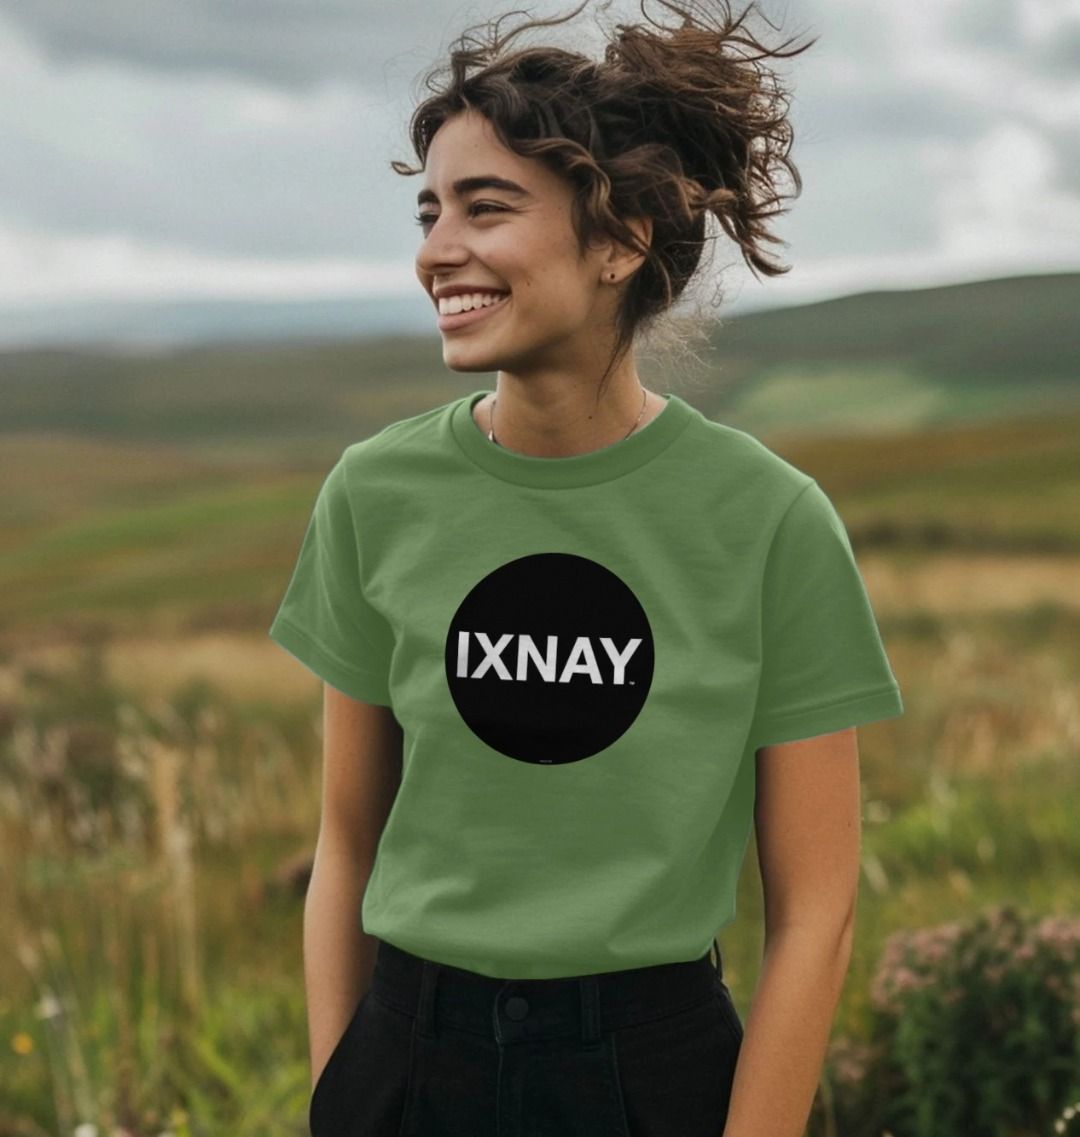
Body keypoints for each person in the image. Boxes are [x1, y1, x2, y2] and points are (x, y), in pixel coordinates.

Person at [268, 1, 904, 1135]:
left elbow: (817, 912)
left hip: (651, 1073)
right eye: (430, 211)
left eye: (486, 207)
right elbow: (346, 844)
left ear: (620, 243)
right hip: (410, 1059)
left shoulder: (770, 521)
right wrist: (343, 1095)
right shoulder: (373, 492)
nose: (438, 250)